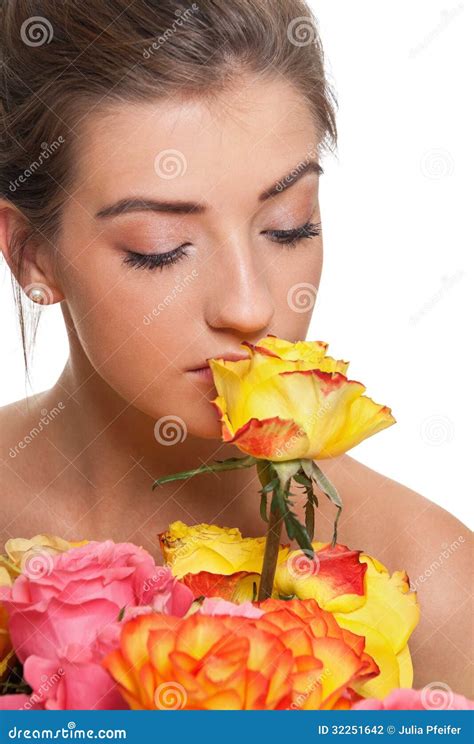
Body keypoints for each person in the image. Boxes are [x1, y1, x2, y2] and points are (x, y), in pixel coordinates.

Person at [0, 0, 471, 696]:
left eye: (288, 227)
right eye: (160, 250)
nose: (252, 307)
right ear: (31, 254)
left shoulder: (430, 584)